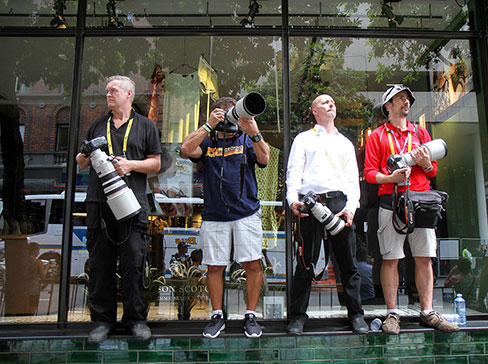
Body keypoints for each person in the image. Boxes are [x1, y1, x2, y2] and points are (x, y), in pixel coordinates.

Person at [363, 85, 459, 334]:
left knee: (425, 257)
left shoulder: (420, 132)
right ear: (388, 106)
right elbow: (370, 173)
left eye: (408, 99)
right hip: (391, 202)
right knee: (391, 259)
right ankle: (392, 313)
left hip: (421, 201)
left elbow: (434, 170)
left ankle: (427, 312)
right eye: (400, 98)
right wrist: (391, 178)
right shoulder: (378, 136)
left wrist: (427, 164)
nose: (406, 102)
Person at [76, 75, 162, 343]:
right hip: (100, 203)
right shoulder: (97, 125)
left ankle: (136, 320)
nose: (108, 95)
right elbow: (81, 162)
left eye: (113, 91)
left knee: (133, 262)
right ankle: (102, 321)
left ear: (128, 94)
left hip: (132, 203)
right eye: (106, 91)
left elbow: (156, 164)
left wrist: (130, 165)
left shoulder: (145, 126)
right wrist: (84, 156)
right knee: (100, 263)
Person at [180, 96, 269, 338]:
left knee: (252, 263)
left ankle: (250, 315)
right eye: (224, 115)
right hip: (214, 214)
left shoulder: (245, 138)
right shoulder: (208, 139)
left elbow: (264, 158)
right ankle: (217, 315)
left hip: (246, 212)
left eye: (232, 114)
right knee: (215, 266)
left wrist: (254, 132)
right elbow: (186, 149)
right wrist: (209, 125)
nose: (229, 120)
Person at [285, 94, 368, 335]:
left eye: (333, 101)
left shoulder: (345, 143)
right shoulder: (303, 139)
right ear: (314, 111)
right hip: (310, 203)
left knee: (348, 264)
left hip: (340, 203)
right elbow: (294, 172)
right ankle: (298, 317)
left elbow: (353, 180)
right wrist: (293, 200)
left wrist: (351, 208)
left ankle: (356, 315)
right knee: (304, 263)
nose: (330, 104)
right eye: (324, 102)